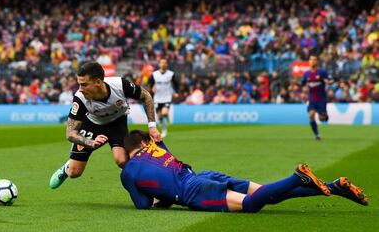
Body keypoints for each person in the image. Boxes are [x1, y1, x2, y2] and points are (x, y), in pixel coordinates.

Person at [120, 130, 368, 212]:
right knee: (268, 193)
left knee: (250, 205)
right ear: (143, 143)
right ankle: (335, 187)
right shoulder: (156, 147)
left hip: (192, 190)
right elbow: (162, 153)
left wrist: (162, 198)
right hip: (202, 175)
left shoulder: (128, 171)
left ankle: (297, 177)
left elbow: (143, 205)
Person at [49, 62, 161, 189]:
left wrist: (152, 126)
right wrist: (91, 143)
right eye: (79, 84)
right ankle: (66, 168)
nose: (80, 88)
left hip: (117, 122)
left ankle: (147, 189)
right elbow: (70, 133)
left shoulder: (120, 85)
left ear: (98, 82)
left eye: (84, 84)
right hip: (92, 124)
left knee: (122, 160)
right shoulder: (80, 98)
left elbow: (146, 96)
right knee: (74, 172)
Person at [302, 55, 333, 140]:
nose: (312, 61)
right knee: (311, 115)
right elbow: (303, 83)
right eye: (311, 59)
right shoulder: (306, 73)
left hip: (321, 99)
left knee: (322, 118)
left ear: (317, 62)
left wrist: (328, 81)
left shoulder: (322, 72)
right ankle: (317, 135)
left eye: (314, 60)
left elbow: (330, 80)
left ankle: (324, 114)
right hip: (311, 99)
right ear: (309, 61)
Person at [148, 58, 178, 138]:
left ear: (167, 64)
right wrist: (151, 90)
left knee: (164, 112)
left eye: (165, 63)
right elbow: (150, 84)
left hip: (167, 97)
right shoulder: (154, 74)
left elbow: (176, 83)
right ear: (159, 64)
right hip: (157, 98)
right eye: (162, 63)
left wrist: (176, 92)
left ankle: (167, 115)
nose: (163, 64)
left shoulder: (171, 74)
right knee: (159, 117)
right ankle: (164, 130)